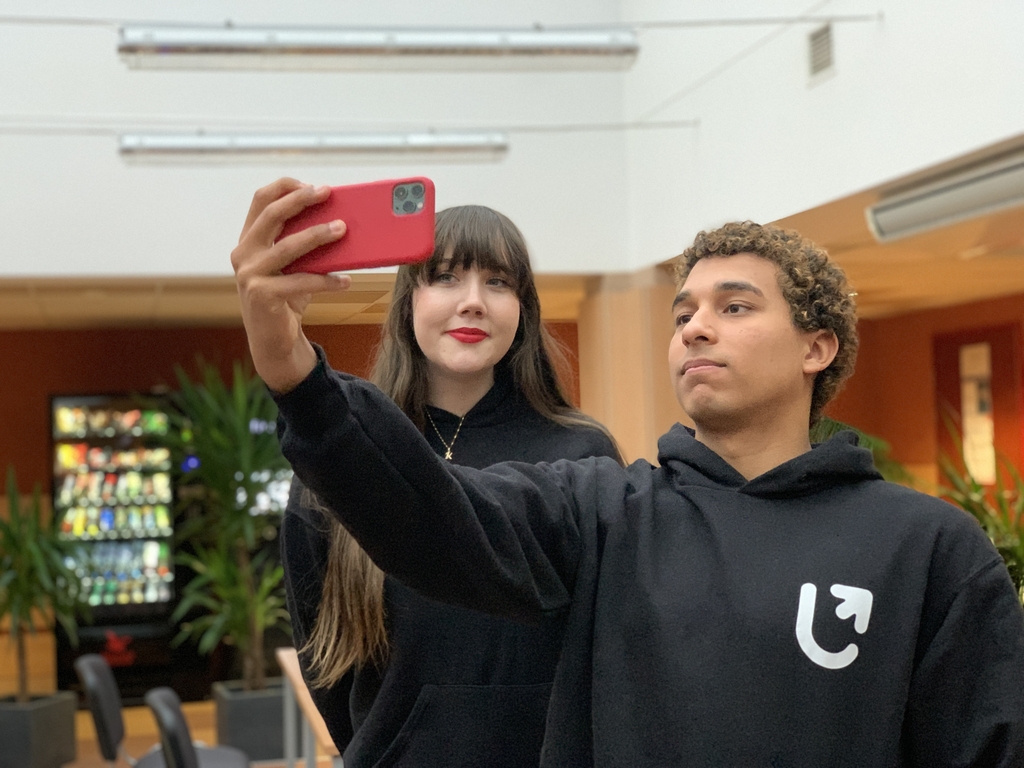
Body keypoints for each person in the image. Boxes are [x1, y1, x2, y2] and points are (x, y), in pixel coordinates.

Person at [234, 180, 1024, 767]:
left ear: (816, 348)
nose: (696, 328)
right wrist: (295, 371)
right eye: (682, 314)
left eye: (734, 307)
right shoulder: (606, 514)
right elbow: (434, 517)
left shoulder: (927, 550)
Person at [270, 187, 621, 768]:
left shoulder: (582, 453)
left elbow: (601, 642)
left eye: (498, 282)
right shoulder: (348, 454)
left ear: (523, 311)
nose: (473, 302)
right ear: (408, 301)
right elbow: (321, 652)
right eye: (446, 277)